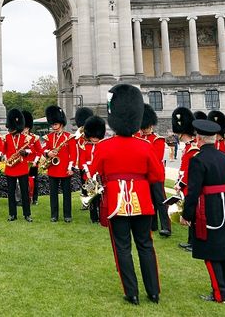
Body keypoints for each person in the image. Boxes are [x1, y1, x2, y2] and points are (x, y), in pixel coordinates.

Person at [90, 84, 163, 305]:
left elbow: (94, 172)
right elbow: (158, 175)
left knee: (122, 248)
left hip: (116, 201)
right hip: (142, 200)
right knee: (146, 245)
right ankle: (153, 291)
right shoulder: (145, 145)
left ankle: (132, 293)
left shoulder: (104, 146)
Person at [180, 118, 225, 304]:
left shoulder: (197, 160)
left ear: (198, 139)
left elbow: (193, 191)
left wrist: (186, 214)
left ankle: (220, 294)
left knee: (211, 252)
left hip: (209, 209)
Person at [136, 104, 171, 237]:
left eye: (146, 127)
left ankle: (166, 227)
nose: (144, 130)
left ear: (151, 125)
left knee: (161, 202)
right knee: (149, 201)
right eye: (142, 127)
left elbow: (156, 159)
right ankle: (153, 225)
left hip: (156, 176)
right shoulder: (138, 138)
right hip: (144, 176)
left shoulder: (158, 140)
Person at [2, 108, 37, 222]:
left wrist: (25, 152)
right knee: (11, 193)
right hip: (10, 168)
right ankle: (12, 214)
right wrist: (5, 157)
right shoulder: (6, 137)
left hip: (22, 168)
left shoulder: (26, 138)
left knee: (24, 192)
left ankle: (27, 214)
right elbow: (3, 151)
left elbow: (33, 151)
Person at [42, 105, 75, 223]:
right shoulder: (49, 137)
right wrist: (48, 153)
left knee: (67, 194)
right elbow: (43, 149)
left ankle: (67, 215)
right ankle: (54, 215)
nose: (54, 127)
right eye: (52, 125)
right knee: (53, 194)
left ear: (61, 124)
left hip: (65, 169)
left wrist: (71, 168)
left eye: (55, 124)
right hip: (53, 169)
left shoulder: (69, 137)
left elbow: (73, 154)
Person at [173, 107, 198, 251]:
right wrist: (178, 181)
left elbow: (190, 170)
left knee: (193, 214)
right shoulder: (188, 147)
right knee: (189, 212)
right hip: (185, 184)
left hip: (190, 185)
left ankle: (194, 243)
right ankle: (190, 240)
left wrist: (181, 183)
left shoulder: (193, 148)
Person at [81, 115, 107, 223]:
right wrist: (87, 172)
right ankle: (94, 218)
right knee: (92, 197)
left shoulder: (104, 145)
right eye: (93, 137)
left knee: (101, 197)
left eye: (97, 137)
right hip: (89, 175)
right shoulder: (85, 145)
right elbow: (82, 160)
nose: (95, 139)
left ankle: (102, 216)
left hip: (100, 174)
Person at [23, 110, 41, 205]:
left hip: (33, 163)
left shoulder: (34, 137)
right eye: (23, 127)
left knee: (34, 181)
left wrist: (35, 161)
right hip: (22, 163)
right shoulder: (19, 138)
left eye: (26, 128)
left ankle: (34, 198)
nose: (24, 129)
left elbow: (39, 151)